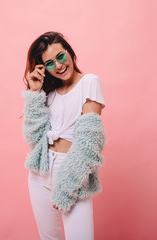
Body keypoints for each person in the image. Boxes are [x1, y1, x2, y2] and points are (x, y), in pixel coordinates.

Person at [21, 31, 106, 240]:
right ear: (44, 68)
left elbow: (89, 144)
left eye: (60, 56)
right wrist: (34, 94)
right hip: (40, 173)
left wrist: (66, 187)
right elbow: (34, 139)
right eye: (50, 63)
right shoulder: (49, 92)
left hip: (72, 172)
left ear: (69, 52)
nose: (58, 66)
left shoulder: (89, 82)